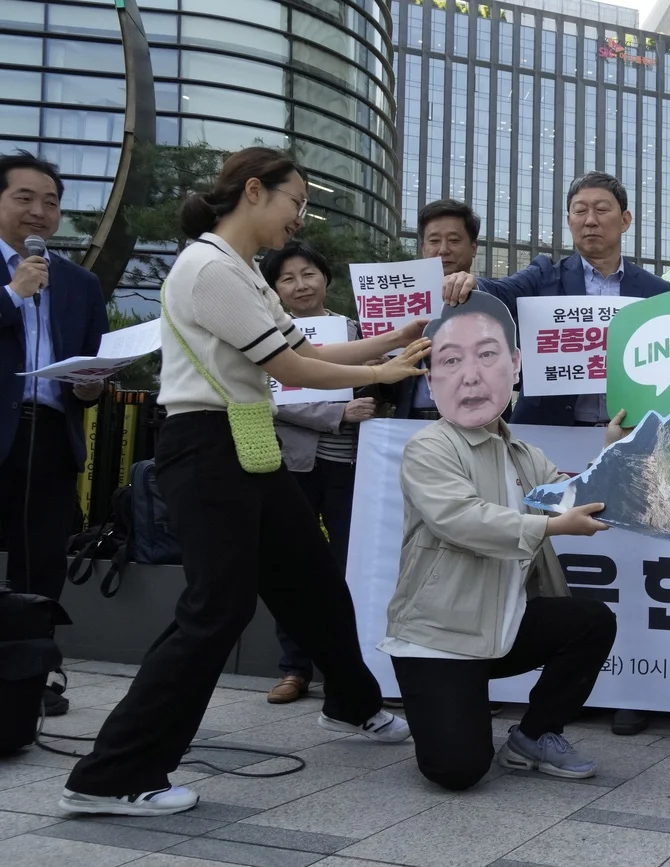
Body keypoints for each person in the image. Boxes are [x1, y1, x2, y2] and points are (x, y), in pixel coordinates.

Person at [59, 147, 430, 817]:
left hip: (246, 444)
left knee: (314, 580)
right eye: (296, 201)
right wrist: (381, 374)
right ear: (255, 192)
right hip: (206, 447)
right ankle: (112, 772)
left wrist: (392, 342)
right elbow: (288, 365)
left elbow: (311, 349)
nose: (299, 217)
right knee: (216, 610)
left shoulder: (241, 271)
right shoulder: (207, 267)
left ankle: (351, 705)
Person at [442, 171, 670, 737]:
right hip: (549, 442)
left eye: (600, 209)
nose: (589, 220)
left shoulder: (658, 294)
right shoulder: (545, 276)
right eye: (578, 211)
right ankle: (510, 683)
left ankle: (629, 689)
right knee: (535, 558)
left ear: (627, 219)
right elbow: (498, 293)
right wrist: (473, 283)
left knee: (632, 565)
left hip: (627, 443)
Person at [380, 291, 618, 790]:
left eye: (487, 355)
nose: (470, 375)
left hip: (502, 626)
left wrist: (617, 455)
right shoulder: (429, 447)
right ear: (432, 377)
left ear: (514, 365)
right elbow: (462, 520)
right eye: (450, 360)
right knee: (458, 772)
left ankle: (535, 735)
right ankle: (450, 710)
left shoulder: (524, 453)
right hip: (439, 638)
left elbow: (575, 498)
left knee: (591, 621)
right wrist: (551, 526)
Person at [0, 151, 109, 718]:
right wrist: (13, 292)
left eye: (50, 202)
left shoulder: (79, 283)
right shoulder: (19, 278)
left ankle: (31, 676)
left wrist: (92, 388)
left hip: (48, 434)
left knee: (39, 563)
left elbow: (96, 360)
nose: (39, 212)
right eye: (25, 198)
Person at [259, 240, 377, 704]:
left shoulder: (353, 328)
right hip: (293, 462)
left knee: (350, 564)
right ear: (275, 289)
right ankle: (294, 667)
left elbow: (378, 379)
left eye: (307, 273)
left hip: (351, 464)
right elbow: (269, 401)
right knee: (292, 563)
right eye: (286, 278)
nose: (300, 285)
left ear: (325, 277)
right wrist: (337, 414)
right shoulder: (266, 332)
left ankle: (345, 663)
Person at [394, 199, 481, 420]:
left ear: (473, 247)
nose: (443, 250)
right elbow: (390, 390)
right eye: (434, 241)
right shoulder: (398, 301)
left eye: (454, 240)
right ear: (423, 248)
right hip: (412, 421)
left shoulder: (494, 302)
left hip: (479, 419)